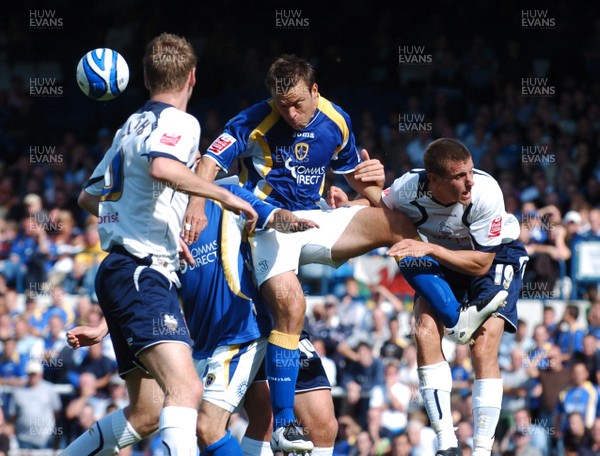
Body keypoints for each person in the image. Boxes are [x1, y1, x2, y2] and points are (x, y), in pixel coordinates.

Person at [184, 56, 506, 451]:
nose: (291, 113)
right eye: (282, 105)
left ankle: (454, 320)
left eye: (298, 103)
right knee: (291, 303)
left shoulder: (336, 120)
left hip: (317, 220)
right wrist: (197, 206)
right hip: (274, 226)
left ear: (315, 91)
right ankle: (286, 426)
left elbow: (359, 177)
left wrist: (373, 187)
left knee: (394, 224)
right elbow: (210, 161)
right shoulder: (254, 120)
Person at [60, 33, 258, 456]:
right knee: (185, 388)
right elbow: (164, 167)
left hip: (121, 270)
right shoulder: (181, 122)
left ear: (147, 79)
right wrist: (220, 194)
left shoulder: (130, 126)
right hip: (140, 273)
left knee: (148, 410)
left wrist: (162, 232)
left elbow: (89, 197)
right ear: (192, 77)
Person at [66, 181, 338, 455]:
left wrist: (310, 212)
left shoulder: (226, 192)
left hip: (249, 330)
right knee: (248, 421)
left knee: (319, 426)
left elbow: (271, 210)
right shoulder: (161, 223)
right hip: (214, 342)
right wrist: (103, 329)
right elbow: (155, 293)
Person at [329, 138, 528, 455]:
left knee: (483, 344)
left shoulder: (486, 192)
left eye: (469, 172)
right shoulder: (409, 187)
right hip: (444, 258)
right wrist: (344, 206)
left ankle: (480, 450)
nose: (469, 181)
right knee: (423, 329)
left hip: (493, 258)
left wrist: (430, 248)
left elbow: (481, 263)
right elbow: (380, 205)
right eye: (459, 177)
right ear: (434, 180)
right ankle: (446, 443)